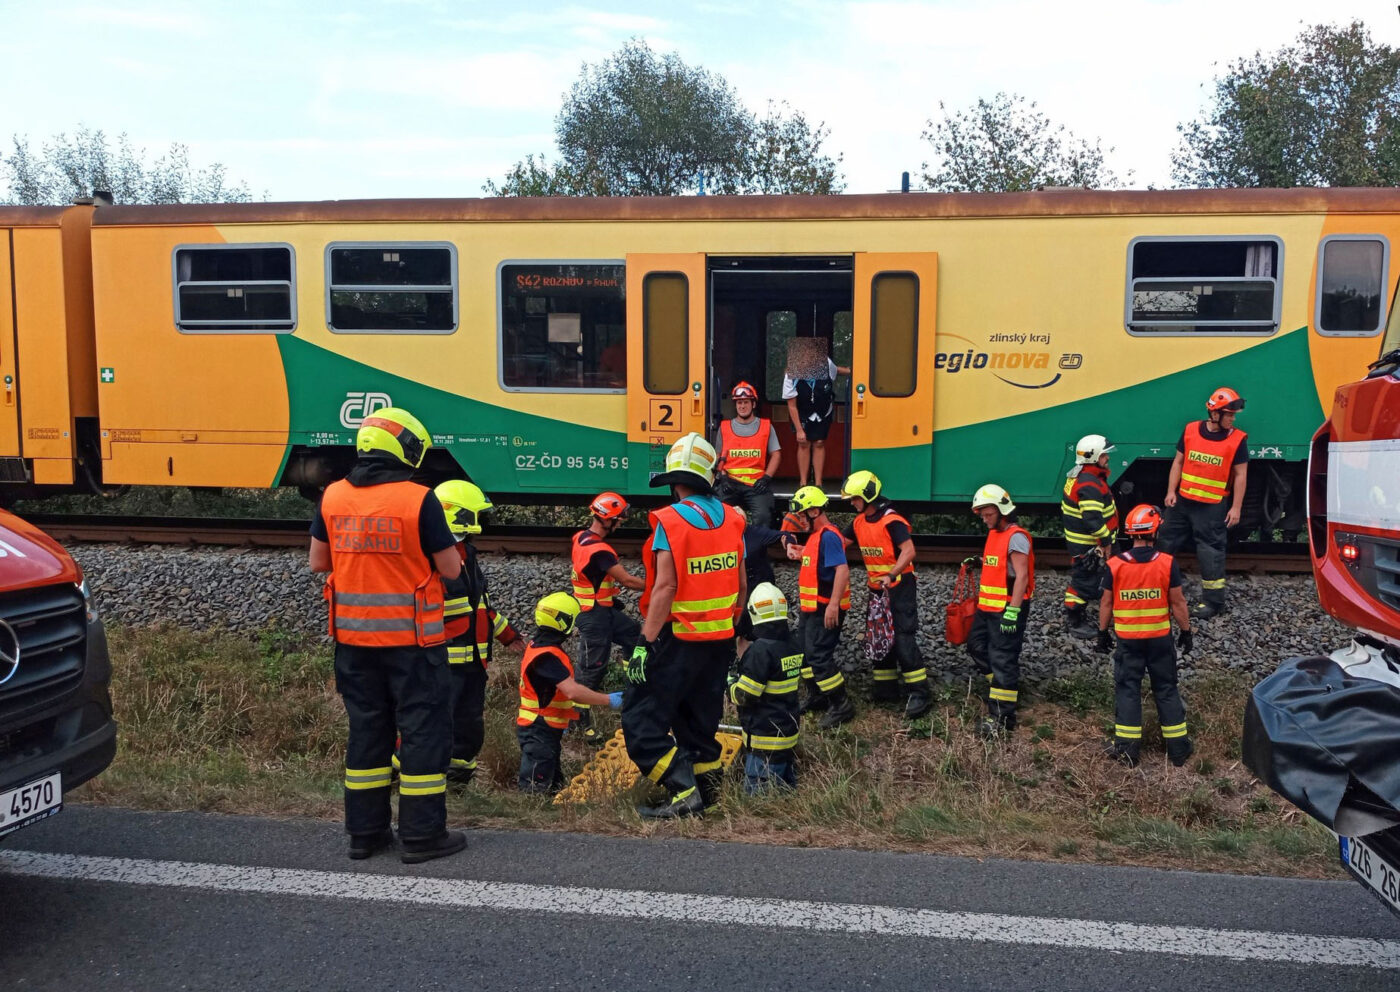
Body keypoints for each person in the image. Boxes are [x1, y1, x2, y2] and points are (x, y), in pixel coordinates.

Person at [308, 407, 467, 864]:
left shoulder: (333, 496)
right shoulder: (419, 499)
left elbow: (319, 562)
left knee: (368, 732)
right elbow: (451, 569)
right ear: (407, 450)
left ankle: (365, 834)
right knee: (420, 734)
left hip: (354, 644)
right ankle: (421, 837)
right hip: (413, 644)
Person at [622, 433, 747, 819]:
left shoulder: (671, 521)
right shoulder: (734, 519)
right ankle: (709, 796)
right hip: (719, 640)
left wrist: (644, 643)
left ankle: (684, 790)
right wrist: (727, 628)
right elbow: (742, 586)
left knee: (640, 723)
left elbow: (665, 587)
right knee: (699, 722)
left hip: (675, 640)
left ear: (675, 482)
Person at [434, 480, 523, 785]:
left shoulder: (465, 552)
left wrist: (509, 636)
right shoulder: (432, 554)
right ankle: (401, 774)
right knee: (434, 723)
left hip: (473, 662)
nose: (481, 520)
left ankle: (458, 780)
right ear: (457, 514)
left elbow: (480, 605)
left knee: (469, 725)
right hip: (445, 659)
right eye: (476, 513)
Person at [1095, 505, 1195, 768]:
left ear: (1131, 533)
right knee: (1166, 689)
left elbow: (1106, 603)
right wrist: (1186, 632)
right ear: (1155, 531)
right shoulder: (1167, 563)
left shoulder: (1115, 565)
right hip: (1160, 640)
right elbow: (1178, 603)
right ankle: (1178, 750)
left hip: (1129, 642)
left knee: (1128, 691)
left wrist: (1102, 632)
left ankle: (1128, 752)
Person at [840, 470, 931, 719]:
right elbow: (838, 543)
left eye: (855, 498)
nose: (852, 503)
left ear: (868, 497)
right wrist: (807, 548)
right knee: (879, 636)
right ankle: (886, 689)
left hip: (899, 586)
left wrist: (891, 574)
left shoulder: (892, 521)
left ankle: (919, 693)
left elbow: (909, 551)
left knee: (902, 638)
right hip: (877, 589)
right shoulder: (859, 522)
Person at [517, 593, 623, 793]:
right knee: (536, 785)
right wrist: (609, 700)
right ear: (562, 622)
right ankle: (531, 814)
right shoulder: (547, 657)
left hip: (544, 725)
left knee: (553, 779)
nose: (576, 626)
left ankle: (548, 806)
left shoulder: (540, 647)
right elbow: (572, 692)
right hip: (538, 726)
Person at [1158, 387, 1248, 620]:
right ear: (1215, 413)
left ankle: (1213, 601)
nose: (1233, 418)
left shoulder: (1237, 440)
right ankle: (1158, 589)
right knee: (1165, 542)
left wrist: (1236, 507)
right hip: (1182, 501)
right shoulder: (1190, 430)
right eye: (1229, 414)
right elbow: (1178, 462)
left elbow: (1240, 475)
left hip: (1211, 506)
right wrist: (1171, 491)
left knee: (1211, 552)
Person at [569, 491, 645, 745]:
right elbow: (628, 580)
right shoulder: (599, 550)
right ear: (607, 519)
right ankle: (578, 723)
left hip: (603, 610)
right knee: (591, 670)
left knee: (634, 635)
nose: (621, 522)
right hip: (594, 616)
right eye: (619, 518)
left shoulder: (581, 537)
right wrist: (661, 586)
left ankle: (632, 685)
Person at [968, 484, 1034, 738]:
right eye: (982, 515)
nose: (984, 519)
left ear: (1001, 510)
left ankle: (1002, 719)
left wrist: (1013, 610)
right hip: (988, 607)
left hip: (1006, 608)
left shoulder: (1016, 536)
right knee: (975, 646)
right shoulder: (996, 533)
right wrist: (980, 563)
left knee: (1003, 659)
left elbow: (1021, 576)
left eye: (987, 514)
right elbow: (999, 565)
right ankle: (1003, 685)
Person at [785, 486, 855, 729]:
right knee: (804, 650)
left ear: (815, 511)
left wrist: (834, 605)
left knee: (819, 656)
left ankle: (841, 704)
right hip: (811, 607)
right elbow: (819, 560)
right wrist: (801, 553)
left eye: (802, 514)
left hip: (825, 607)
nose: (799, 519)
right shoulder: (816, 537)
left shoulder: (828, 535)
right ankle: (816, 696)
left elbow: (842, 570)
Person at [728, 583, 802, 793]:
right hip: (787, 734)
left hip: (764, 741)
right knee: (784, 793)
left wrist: (729, 683)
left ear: (754, 613)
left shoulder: (760, 651)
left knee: (759, 803)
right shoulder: (792, 643)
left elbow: (745, 695)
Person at [1061, 434, 1120, 639]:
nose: (1107, 459)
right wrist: (1105, 541)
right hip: (1089, 545)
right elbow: (1092, 519)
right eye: (1104, 455)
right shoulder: (1089, 484)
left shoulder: (1082, 476)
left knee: (1099, 576)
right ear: (1093, 457)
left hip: (1088, 543)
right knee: (1083, 582)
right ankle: (1075, 619)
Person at [715, 380, 782, 526]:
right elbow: (719, 456)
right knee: (717, 512)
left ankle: (756, 548)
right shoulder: (724, 427)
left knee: (763, 516)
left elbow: (776, 454)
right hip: (730, 484)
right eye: (739, 403)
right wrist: (724, 478)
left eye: (746, 402)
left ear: (753, 404)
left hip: (756, 485)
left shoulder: (766, 426)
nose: (742, 406)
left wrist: (766, 478)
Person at [783, 353, 852, 490]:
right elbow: (791, 405)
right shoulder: (791, 374)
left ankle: (818, 483)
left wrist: (854, 371)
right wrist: (799, 430)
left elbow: (836, 370)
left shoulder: (826, 363)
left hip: (823, 411)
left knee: (819, 442)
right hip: (802, 412)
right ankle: (803, 483)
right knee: (804, 443)